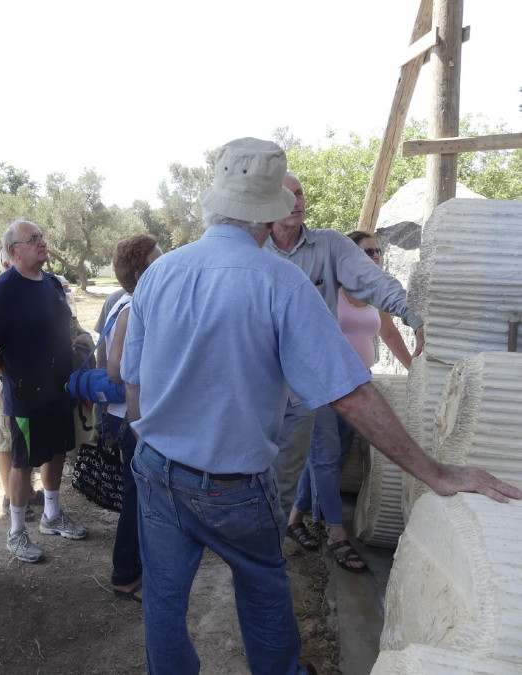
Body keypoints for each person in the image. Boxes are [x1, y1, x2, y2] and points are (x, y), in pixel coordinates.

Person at [121, 136, 521, 675]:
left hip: (156, 469)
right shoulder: (279, 282)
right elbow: (351, 393)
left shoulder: (159, 275)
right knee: (263, 593)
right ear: (270, 216)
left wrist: (158, 443)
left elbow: (133, 383)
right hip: (232, 483)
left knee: (165, 601)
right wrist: (438, 473)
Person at [264, 172, 426, 516]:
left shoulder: (330, 245)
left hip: (309, 387)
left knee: (290, 478)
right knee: (250, 474)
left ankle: (287, 540)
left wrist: (415, 317)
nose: (297, 201)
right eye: (286, 195)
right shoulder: (251, 249)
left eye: (300, 193)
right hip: (258, 384)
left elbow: (375, 283)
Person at [288, 230, 414, 562]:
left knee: (335, 456)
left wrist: (416, 370)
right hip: (326, 388)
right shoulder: (329, 290)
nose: (375, 257)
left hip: (358, 387)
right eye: (367, 252)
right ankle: (336, 533)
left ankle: (294, 519)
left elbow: (387, 333)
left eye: (377, 251)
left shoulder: (374, 295)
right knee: (326, 458)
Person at [0, 219, 90, 563]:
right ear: (14, 251)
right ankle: (16, 532)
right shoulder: (5, 289)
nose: (42, 242)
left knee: (56, 450)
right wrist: (10, 374)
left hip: (59, 388)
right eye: (33, 239)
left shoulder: (51, 283)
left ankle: (52, 516)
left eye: (42, 236)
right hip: (26, 396)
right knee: (23, 461)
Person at [105, 234, 162, 603]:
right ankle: (125, 575)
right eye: (159, 260)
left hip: (125, 416)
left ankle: (133, 569)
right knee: (137, 498)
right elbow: (115, 370)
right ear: (141, 272)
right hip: (131, 419)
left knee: (138, 495)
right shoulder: (132, 307)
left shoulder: (122, 302)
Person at [0, 248, 42, 520]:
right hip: (6, 385)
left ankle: (27, 491)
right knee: (6, 439)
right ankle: (11, 498)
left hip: (27, 386)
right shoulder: (2, 295)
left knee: (22, 442)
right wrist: (6, 372)